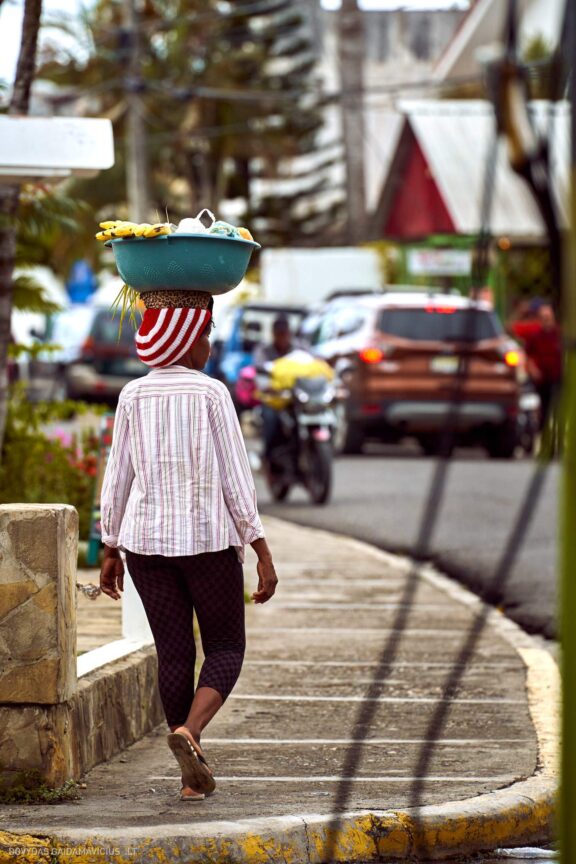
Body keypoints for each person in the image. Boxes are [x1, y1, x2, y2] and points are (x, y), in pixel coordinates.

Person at [99, 300, 278, 802]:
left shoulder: (132, 394)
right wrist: (260, 547)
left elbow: (119, 475)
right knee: (225, 647)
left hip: (146, 547)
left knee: (174, 653)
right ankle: (191, 734)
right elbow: (237, 477)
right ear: (185, 339)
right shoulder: (211, 393)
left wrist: (109, 544)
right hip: (207, 542)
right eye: (205, 335)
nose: (209, 345)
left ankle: (188, 777)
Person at [523, 302, 563, 430]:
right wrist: (533, 370)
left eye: (548, 317)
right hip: (542, 379)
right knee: (543, 407)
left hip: (557, 377)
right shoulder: (535, 337)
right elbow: (527, 356)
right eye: (543, 317)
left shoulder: (560, 335)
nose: (546, 320)